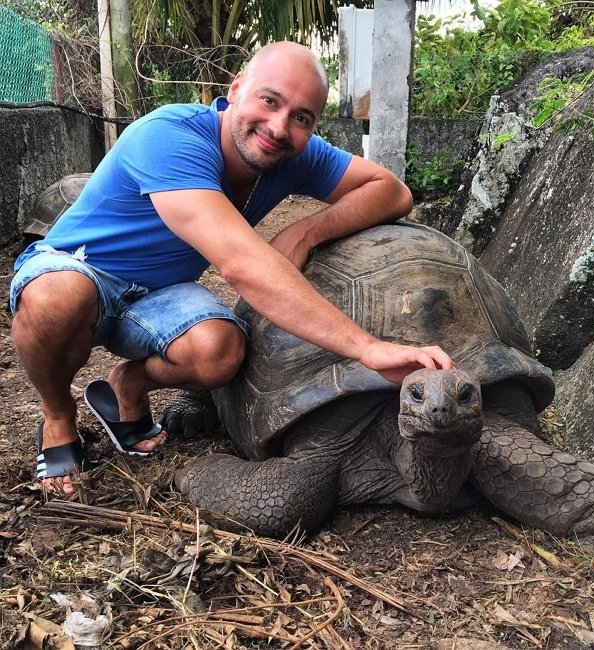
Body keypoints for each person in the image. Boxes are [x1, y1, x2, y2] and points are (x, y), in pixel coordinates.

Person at [10, 41, 453, 496]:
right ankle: (59, 416)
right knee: (56, 297)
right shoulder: (170, 137)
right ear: (235, 88)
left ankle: (128, 384)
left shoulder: (293, 156)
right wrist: (367, 348)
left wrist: (307, 231)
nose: (279, 127)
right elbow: (240, 264)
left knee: (220, 350)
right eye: (270, 100)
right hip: (79, 268)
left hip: (157, 294)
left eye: (302, 117)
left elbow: (392, 191)